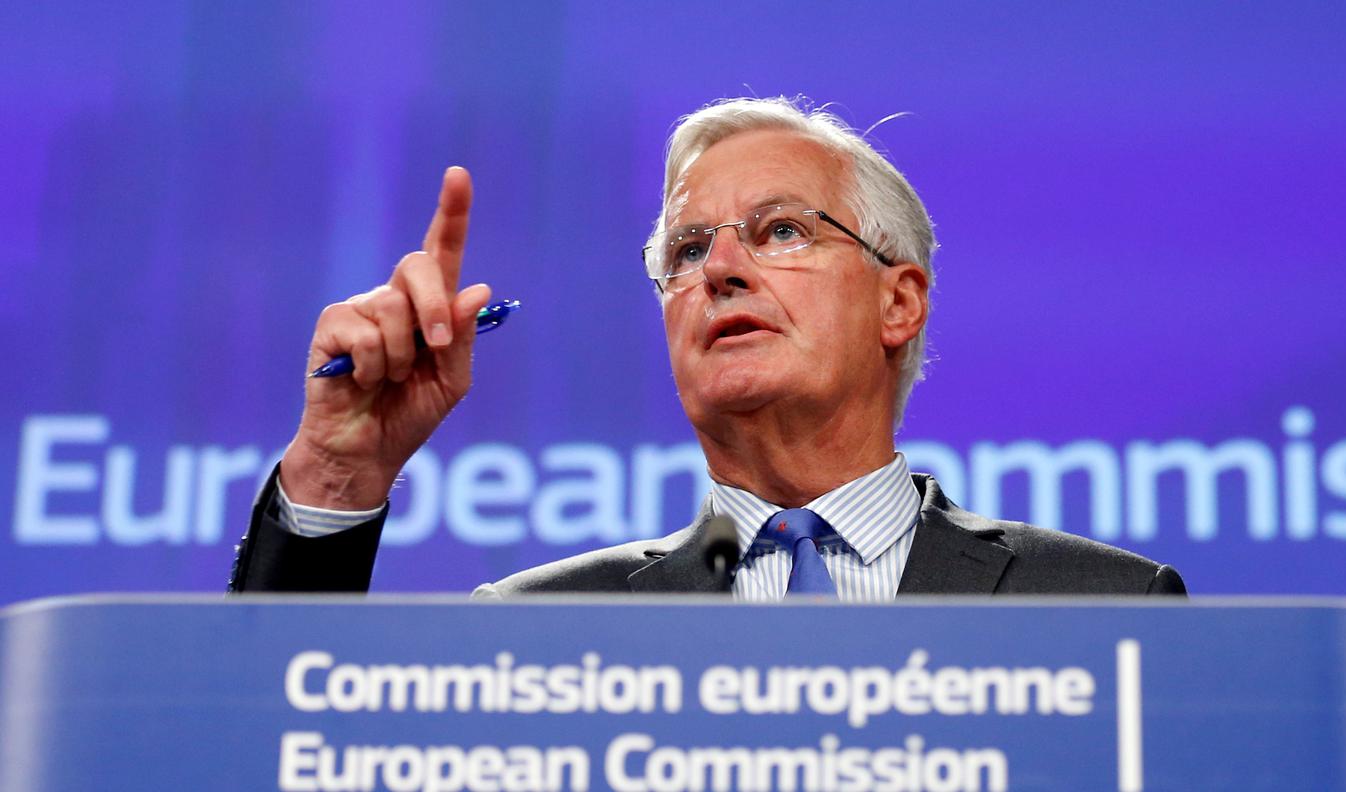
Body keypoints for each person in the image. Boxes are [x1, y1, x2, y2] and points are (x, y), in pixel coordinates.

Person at [229, 97, 1186, 599]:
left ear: (899, 302)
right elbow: (262, 751)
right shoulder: (541, 632)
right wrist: (337, 474)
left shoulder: (1102, 605)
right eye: (687, 250)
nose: (720, 268)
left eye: (782, 230)